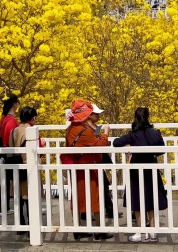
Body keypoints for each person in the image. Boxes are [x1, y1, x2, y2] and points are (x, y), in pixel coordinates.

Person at [112, 107, 168, 243]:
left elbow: (115, 143)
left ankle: (142, 232)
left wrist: (130, 147)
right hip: (152, 170)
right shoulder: (155, 133)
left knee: (137, 200)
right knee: (151, 199)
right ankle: (153, 232)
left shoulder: (133, 134)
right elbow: (162, 149)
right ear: (148, 117)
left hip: (137, 172)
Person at [65, 99, 114, 241]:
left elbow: (93, 138)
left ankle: (78, 228)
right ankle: (99, 230)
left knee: (78, 197)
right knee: (96, 197)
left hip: (77, 167)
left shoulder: (71, 129)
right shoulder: (84, 130)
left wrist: (96, 128)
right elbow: (101, 143)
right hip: (89, 167)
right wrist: (106, 132)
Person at [8, 106, 44, 235]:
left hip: (16, 167)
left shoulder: (14, 130)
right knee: (30, 196)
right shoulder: (31, 130)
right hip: (29, 167)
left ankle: (20, 224)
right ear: (33, 118)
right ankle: (31, 226)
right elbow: (40, 151)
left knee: (18, 196)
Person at [88, 103, 122, 219]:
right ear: (90, 115)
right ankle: (109, 210)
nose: (98, 116)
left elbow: (97, 139)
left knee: (104, 184)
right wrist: (106, 133)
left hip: (98, 159)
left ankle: (109, 210)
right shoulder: (87, 128)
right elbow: (99, 143)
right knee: (101, 184)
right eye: (96, 114)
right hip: (93, 160)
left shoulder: (94, 127)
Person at [0, 93, 20, 214]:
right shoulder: (10, 120)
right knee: (12, 179)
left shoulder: (4, 118)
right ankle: (5, 207)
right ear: (14, 104)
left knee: (5, 180)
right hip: (10, 153)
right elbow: (8, 137)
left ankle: (3, 207)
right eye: (17, 102)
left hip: (6, 153)